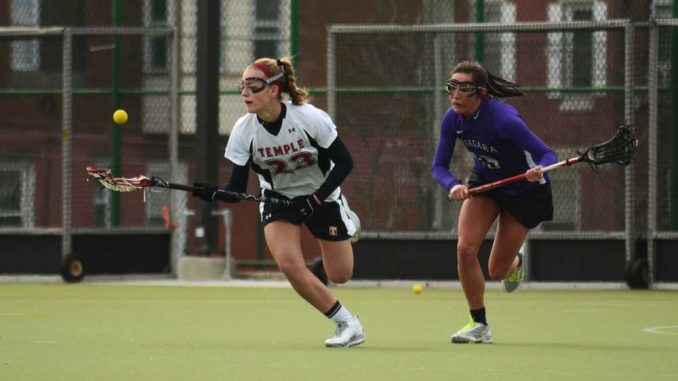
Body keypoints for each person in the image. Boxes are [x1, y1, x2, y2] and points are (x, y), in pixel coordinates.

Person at [192, 57, 365, 348]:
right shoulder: (244, 130)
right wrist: (215, 193)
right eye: (242, 86)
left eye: (253, 86)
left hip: (321, 195)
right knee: (288, 264)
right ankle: (347, 323)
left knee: (341, 274)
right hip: (278, 200)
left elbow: (345, 163)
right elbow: (236, 188)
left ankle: (350, 222)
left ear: (273, 89)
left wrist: (316, 198)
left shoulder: (309, 118)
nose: (245, 93)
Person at [431, 61, 557, 344]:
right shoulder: (452, 119)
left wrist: (539, 169)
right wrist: (454, 185)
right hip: (487, 182)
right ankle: (479, 325)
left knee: (497, 270)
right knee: (465, 248)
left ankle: (515, 262)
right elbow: (438, 167)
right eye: (452, 87)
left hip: (525, 191)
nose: (456, 94)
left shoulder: (505, 121)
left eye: (464, 88)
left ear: (482, 93)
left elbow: (546, 154)